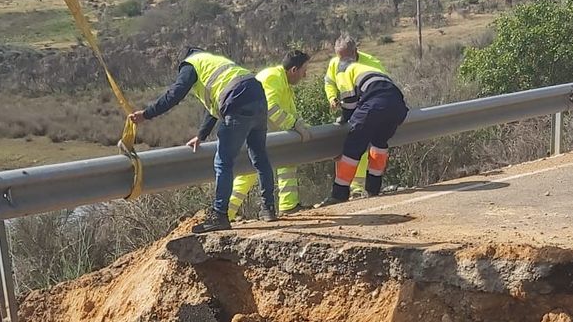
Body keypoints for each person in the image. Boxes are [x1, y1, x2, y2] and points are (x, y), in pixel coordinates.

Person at [128, 47, 276, 233]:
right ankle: (268, 209)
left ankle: (220, 215)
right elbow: (215, 107)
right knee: (260, 158)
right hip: (257, 96)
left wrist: (146, 114)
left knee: (223, 162)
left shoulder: (191, 65)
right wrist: (201, 135)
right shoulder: (213, 62)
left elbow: (175, 94)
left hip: (237, 102)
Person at [321, 34, 408, 205]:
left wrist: (346, 121)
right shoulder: (368, 68)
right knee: (379, 143)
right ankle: (373, 189)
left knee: (353, 146)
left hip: (374, 104)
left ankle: (339, 194)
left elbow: (349, 104)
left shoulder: (345, 71)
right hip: (397, 105)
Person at [228, 49, 312, 221]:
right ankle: (226, 212)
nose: (305, 75)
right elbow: (271, 107)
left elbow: (288, 110)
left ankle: (289, 205)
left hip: (268, 134)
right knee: (248, 174)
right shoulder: (273, 78)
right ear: (294, 70)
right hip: (259, 133)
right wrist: (293, 124)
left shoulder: (281, 79)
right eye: (304, 70)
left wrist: (299, 123)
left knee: (286, 163)